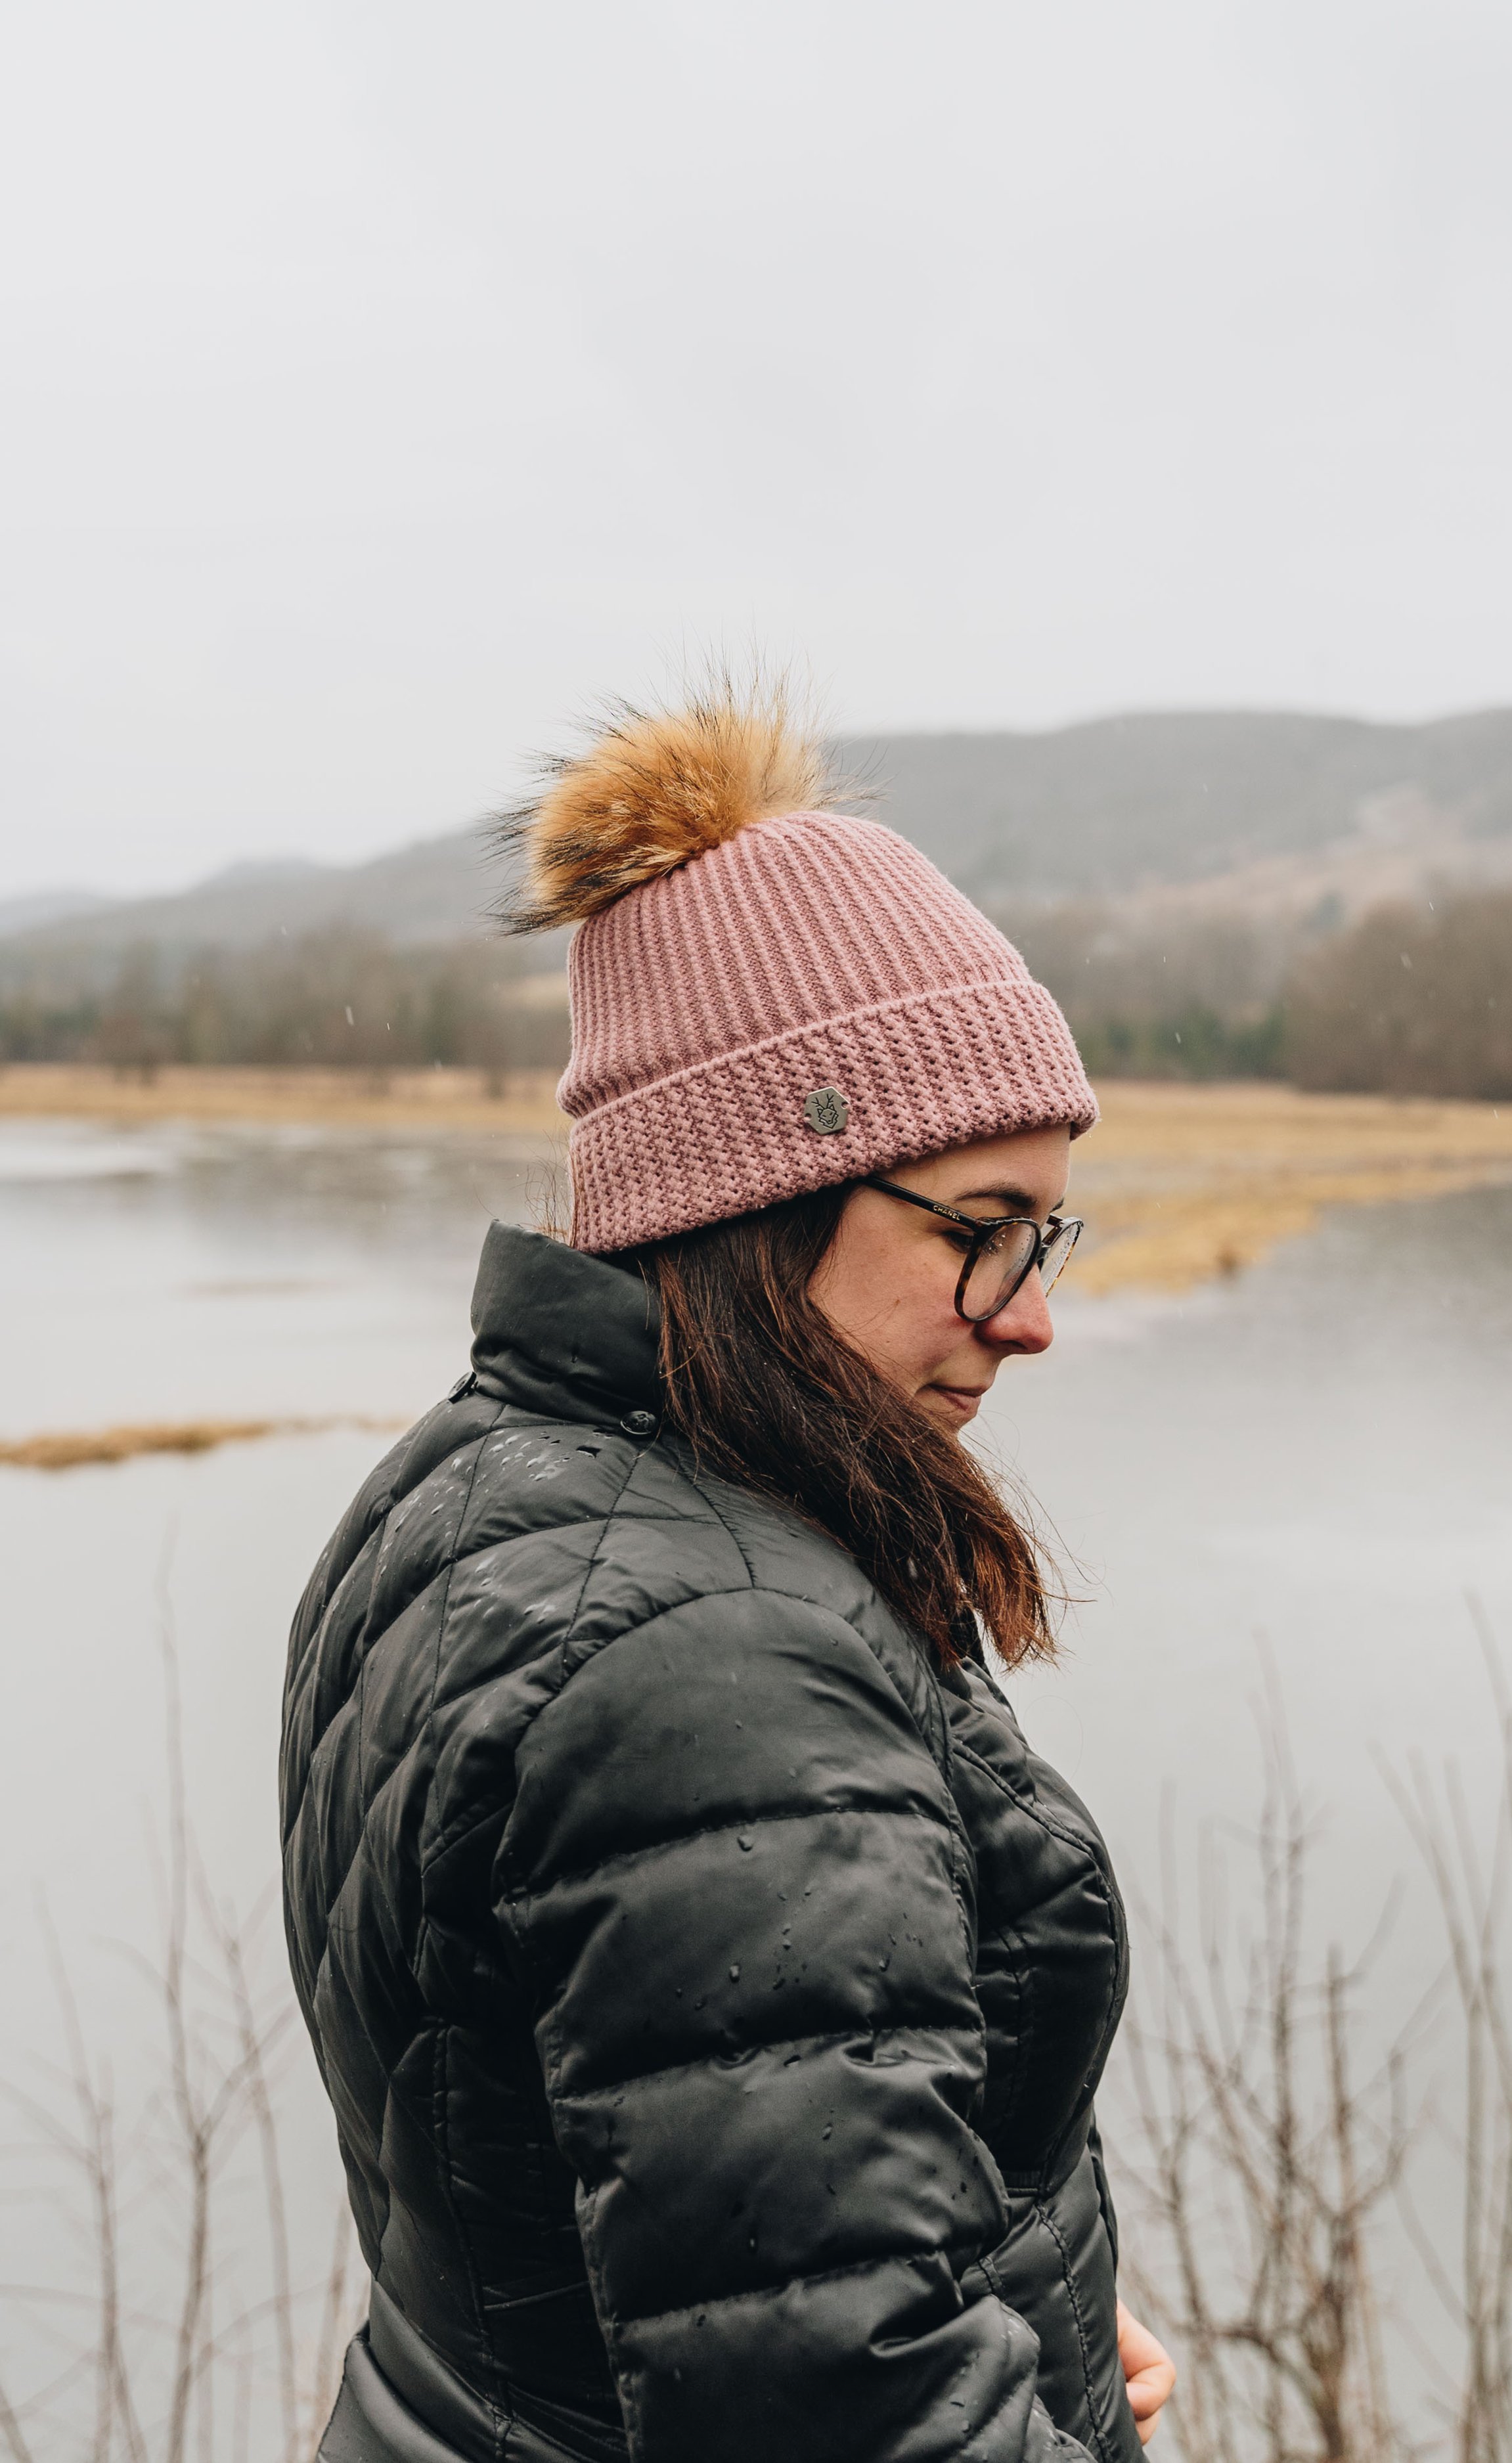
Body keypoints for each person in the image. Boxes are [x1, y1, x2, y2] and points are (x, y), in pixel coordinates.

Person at [282, 693, 1176, 2462]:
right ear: (759, 1199)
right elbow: (843, 2409)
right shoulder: (718, 1666)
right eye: (979, 1230)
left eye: (1047, 1235)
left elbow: (610, 2216)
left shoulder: (479, 1485)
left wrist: (1023, 2301)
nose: (1029, 1318)